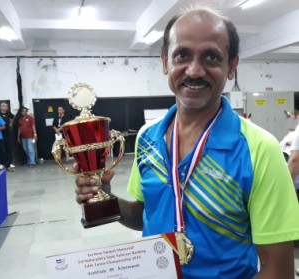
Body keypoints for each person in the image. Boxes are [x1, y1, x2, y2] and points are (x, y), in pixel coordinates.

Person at [74, 5, 299, 279]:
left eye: (211, 57)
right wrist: (104, 198)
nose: (194, 71)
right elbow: (145, 214)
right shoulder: (148, 137)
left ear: (232, 67)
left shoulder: (259, 148)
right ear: (164, 62)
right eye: (182, 55)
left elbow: (279, 271)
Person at [0, 101, 15, 171]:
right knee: (2, 150)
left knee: (9, 148)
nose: (5, 107)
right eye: (4, 106)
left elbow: (13, 118)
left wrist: (11, 123)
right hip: (1, 134)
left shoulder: (9, 113)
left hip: (8, 133)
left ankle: (10, 162)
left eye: (6, 106)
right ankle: (2, 163)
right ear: (1, 107)